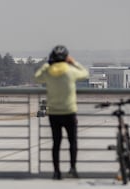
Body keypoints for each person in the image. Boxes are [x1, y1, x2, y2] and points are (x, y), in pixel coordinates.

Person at [34, 45, 89, 180]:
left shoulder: (49, 72)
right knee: (73, 142)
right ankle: (73, 169)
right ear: (66, 57)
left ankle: (56, 172)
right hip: (69, 111)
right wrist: (73, 62)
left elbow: (37, 77)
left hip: (54, 113)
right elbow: (86, 74)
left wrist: (47, 64)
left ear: (53, 58)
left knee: (56, 143)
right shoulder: (70, 71)